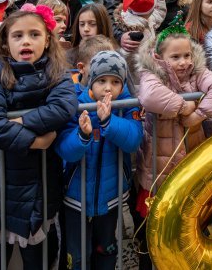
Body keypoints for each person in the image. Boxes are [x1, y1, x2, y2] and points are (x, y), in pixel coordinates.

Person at [0, 5, 76, 268]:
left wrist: (19, 120)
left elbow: (62, 108)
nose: (26, 40)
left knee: (38, 256)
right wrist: (34, 141)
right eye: (18, 35)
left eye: (34, 34)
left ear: (47, 40)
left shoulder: (57, 73)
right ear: (5, 42)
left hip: (39, 180)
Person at [134, 19, 212, 269]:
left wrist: (197, 116)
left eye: (187, 55)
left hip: (191, 163)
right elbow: (149, 95)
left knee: (190, 221)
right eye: (175, 57)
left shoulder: (197, 73)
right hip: (159, 169)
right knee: (156, 225)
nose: (184, 62)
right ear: (159, 57)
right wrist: (183, 105)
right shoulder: (150, 73)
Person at [56, 50, 142, 270]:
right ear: (90, 81)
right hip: (76, 197)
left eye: (115, 82)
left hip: (110, 198)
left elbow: (133, 141)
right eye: (101, 80)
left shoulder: (126, 104)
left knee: (106, 249)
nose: (107, 87)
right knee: (76, 256)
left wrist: (108, 123)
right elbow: (66, 150)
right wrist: (83, 135)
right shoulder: (76, 104)